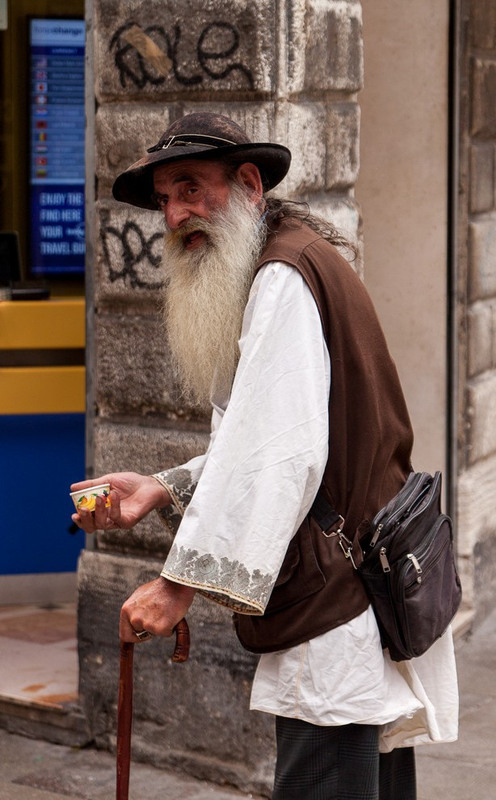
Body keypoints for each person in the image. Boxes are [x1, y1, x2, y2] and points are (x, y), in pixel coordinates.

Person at [71, 112, 458, 800]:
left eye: (192, 188)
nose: (176, 214)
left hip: (339, 606)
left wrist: (177, 585)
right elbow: (264, 432)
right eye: (165, 199)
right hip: (357, 591)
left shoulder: (284, 275)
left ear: (249, 183)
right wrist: (163, 487)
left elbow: (279, 454)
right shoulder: (281, 261)